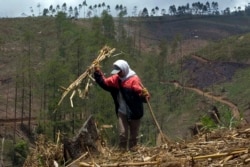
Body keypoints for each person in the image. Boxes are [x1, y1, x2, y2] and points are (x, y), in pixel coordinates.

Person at [93, 59, 150, 151]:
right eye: (117, 72)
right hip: (121, 111)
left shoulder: (134, 80)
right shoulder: (116, 79)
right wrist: (97, 72)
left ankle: (133, 152)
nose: (118, 74)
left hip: (134, 112)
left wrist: (145, 95)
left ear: (124, 70)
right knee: (122, 134)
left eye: (120, 72)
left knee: (134, 136)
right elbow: (105, 83)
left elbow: (144, 98)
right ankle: (122, 153)